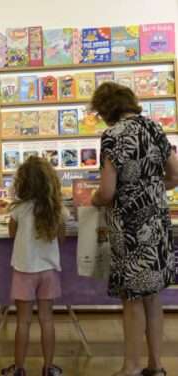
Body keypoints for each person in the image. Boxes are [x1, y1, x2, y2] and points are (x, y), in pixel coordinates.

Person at [91, 82, 178, 376]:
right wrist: (150, 189)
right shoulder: (155, 128)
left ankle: (131, 367)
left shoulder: (113, 136)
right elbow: (175, 174)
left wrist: (94, 198)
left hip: (129, 227)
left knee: (132, 299)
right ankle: (157, 365)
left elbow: (106, 192)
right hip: (157, 224)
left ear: (106, 109)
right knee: (153, 297)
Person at [1, 156, 67, 376]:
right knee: (47, 320)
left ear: (22, 183)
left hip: (23, 270)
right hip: (48, 272)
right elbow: (62, 237)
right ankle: (49, 368)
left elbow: (12, 234)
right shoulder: (56, 209)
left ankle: (19, 368)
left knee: (23, 322)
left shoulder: (19, 209)